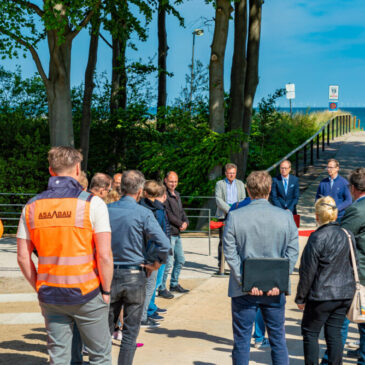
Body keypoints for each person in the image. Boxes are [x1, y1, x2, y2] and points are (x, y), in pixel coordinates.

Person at [16, 146, 113, 364]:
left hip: (50, 293)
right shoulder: (92, 203)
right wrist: (106, 291)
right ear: (78, 169)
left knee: (59, 357)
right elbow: (105, 255)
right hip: (87, 292)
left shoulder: (31, 207)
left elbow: (23, 257)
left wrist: (38, 286)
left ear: (51, 170)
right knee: (100, 356)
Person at [223, 170, 299, 365]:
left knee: (241, 342)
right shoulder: (285, 216)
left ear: (248, 190)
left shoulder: (235, 216)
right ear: (270, 189)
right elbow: (292, 252)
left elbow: (230, 253)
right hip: (274, 290)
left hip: (243, 289)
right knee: (278, 341)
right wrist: (280, 281)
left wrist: (245, 280)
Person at [107, 170, 171, 365]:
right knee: (130, 331)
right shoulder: (143, 213)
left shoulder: (106, 210)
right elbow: (165, 244)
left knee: (104, 330)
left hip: (109, 273)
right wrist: (155, 264)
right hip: (135, 273)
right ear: (140, 190)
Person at [295, 196, 356, 365]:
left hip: (321, 295)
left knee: (310, 332)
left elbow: (307, 271)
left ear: (317, 216)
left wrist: (301, 297)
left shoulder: (316, 237)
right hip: (343, 294)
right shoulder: (347, 234)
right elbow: (354, 263)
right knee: (334, 333)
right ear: (335, 216)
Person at [332, 167, 365, 364]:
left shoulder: (356, 209)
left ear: (352, 188)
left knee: (342, 321)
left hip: (359, 275)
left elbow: (342, 238)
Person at [140, 181, 171, 327]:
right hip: (151, 256)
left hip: (138, 254)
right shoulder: (159, 210)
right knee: (149, 286)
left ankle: (143, 314)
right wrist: (158, 260)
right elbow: (162, 236)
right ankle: (143, 316)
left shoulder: (139, 207)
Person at [158, 171, 189, 299]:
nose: (173, 184)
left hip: (177, 233)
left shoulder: (176, 194)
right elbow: (168, 214)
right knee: (168, 262)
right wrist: (180, 223)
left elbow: (181, 211)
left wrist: (186, 221)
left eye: (175, 181)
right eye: (171, 181)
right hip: (169, 232)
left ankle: (174, 283)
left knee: (181, 259)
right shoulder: (163, 195)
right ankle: (161, 287)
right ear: (165, 180)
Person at [215, 163, 246, 270]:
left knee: (238, 240)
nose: (231, 175)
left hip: (237, 215)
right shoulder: (220, 184)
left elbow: (243, 198)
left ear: (236, 173)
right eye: (229, 173)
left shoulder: (241, 184)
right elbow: (218, 199)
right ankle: (221, 265)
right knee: (222, 240)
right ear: (225, 173)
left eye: (233, 173)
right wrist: (229, 210)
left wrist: (235, 210)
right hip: (224, 214)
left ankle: (236, 264)